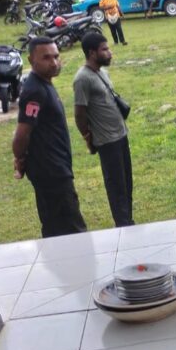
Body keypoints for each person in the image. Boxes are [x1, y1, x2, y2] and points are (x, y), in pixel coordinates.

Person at [12, 37, 87, 238]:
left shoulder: (44, 84)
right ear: (31, 60)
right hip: (51, 172)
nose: (53, 62)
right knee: (71, 229)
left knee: (58, 227)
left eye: (56, 56)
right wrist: (19, 158)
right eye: (46, 58)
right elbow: (21, 133)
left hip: (57, 167)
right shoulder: (35, 91)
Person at [74, 33, 134, 228]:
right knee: (116, 185)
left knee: (126, 182)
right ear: (92, 53)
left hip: (121, 135)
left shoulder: (102, 72)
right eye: (105, 49)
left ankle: (128, 220)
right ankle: (122, 225)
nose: (110, 53)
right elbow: (79, 113)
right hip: (107, 141)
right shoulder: (82, 79)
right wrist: (88, 137)